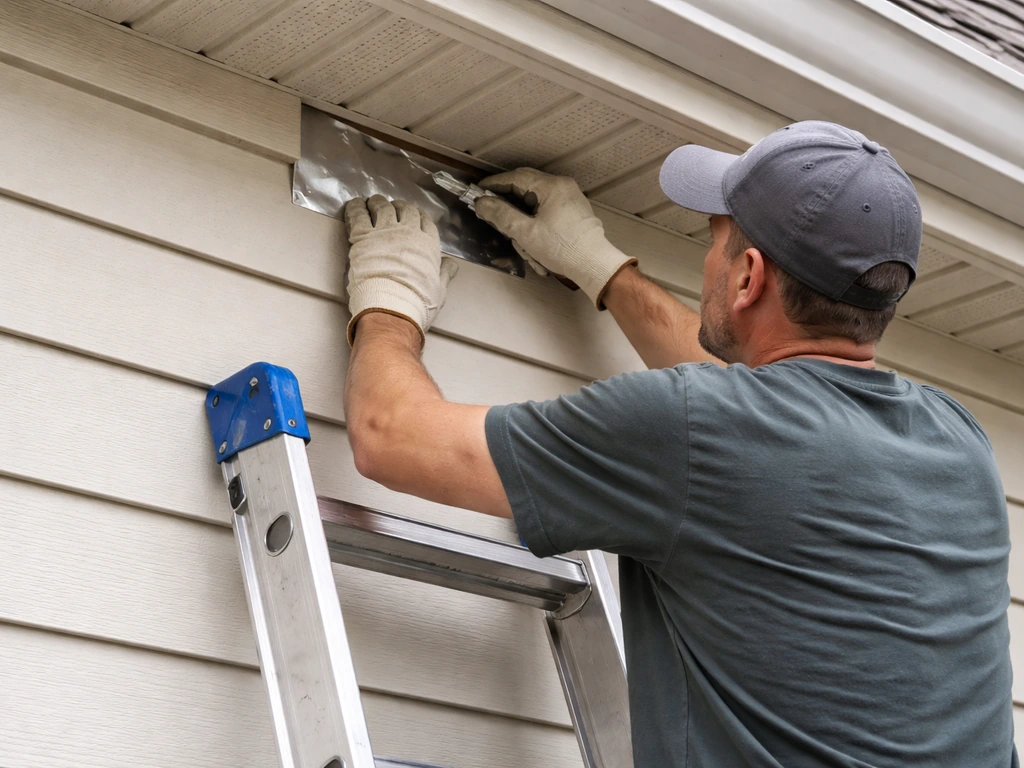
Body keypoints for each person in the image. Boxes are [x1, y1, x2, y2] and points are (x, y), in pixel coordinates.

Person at [341, 121, 1016, 766]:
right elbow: (756, 415)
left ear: (749, 276)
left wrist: (389, 304)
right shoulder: (959, 443)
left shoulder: (699, 427)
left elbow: (389, 437)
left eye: (715, 239)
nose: (706, 258)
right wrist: (603, 270)